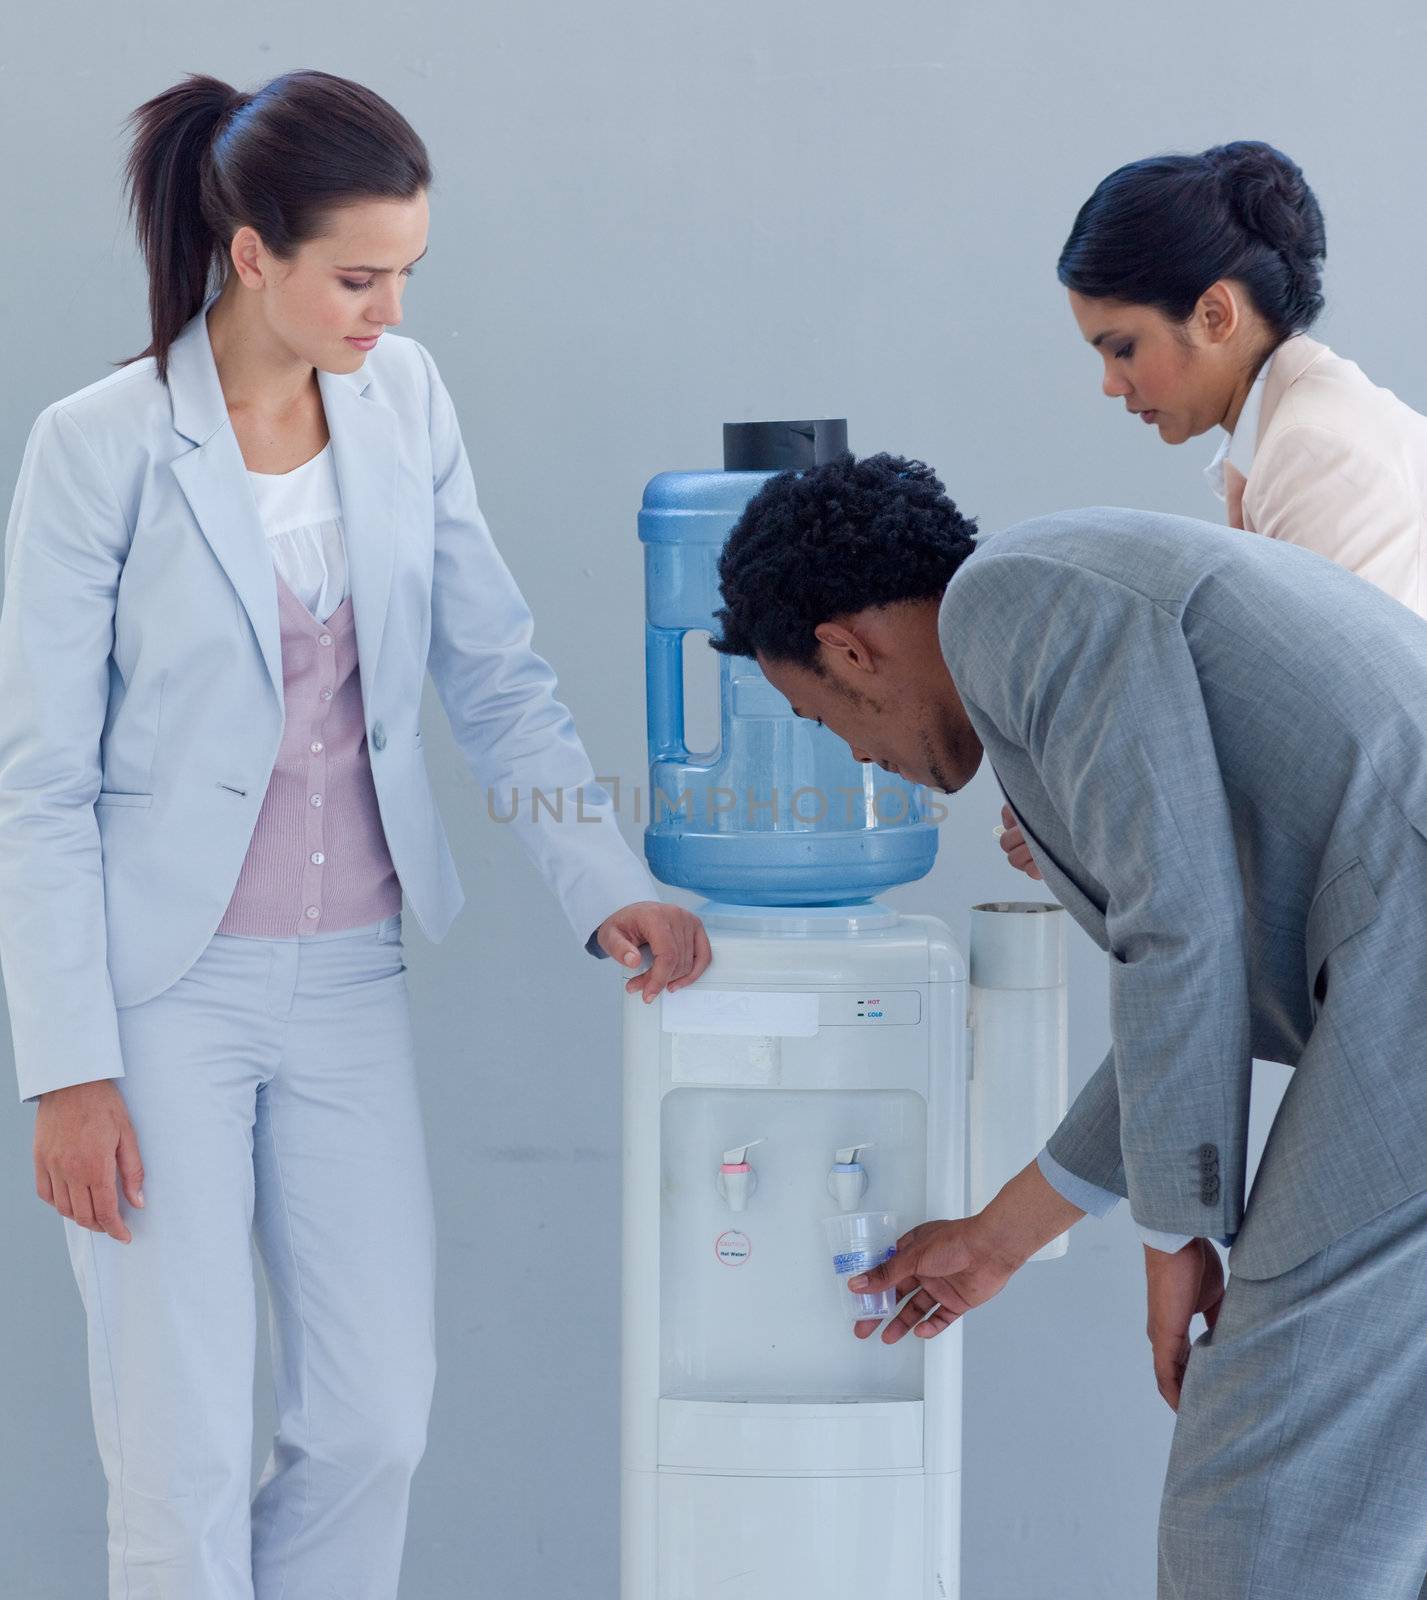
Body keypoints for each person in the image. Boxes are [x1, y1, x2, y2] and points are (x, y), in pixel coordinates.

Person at [0, 69, 708, 1599]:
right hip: (157, 1000)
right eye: (358, 276)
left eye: (406, 274)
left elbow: (495, 674)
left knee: (376, 1418)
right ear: (252, 254)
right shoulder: (98, 445)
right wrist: (66, 1069)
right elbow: (40, 780)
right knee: (177, 1451)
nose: (387, 308)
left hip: (347, 982)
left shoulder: (405, 401)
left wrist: (610, 888)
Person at [711, 450, 1427, 1599]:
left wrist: (1172, 1233)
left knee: (1254, 1519)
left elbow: (1178, 929)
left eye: (819, 714)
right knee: (1349, 1523)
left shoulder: (1010, 599)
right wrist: (998, 1235)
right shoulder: (1056, 592)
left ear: (847, 647)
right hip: (1395, 983)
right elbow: (1197, 978)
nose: (853, 753)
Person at [999, 139, 1427, 881]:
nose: (1109, 384)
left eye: (1122, 347)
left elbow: (1328, 750)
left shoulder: (1317, 449)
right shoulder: (1299, 427)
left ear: (1214, 313)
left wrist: (1089, 816)